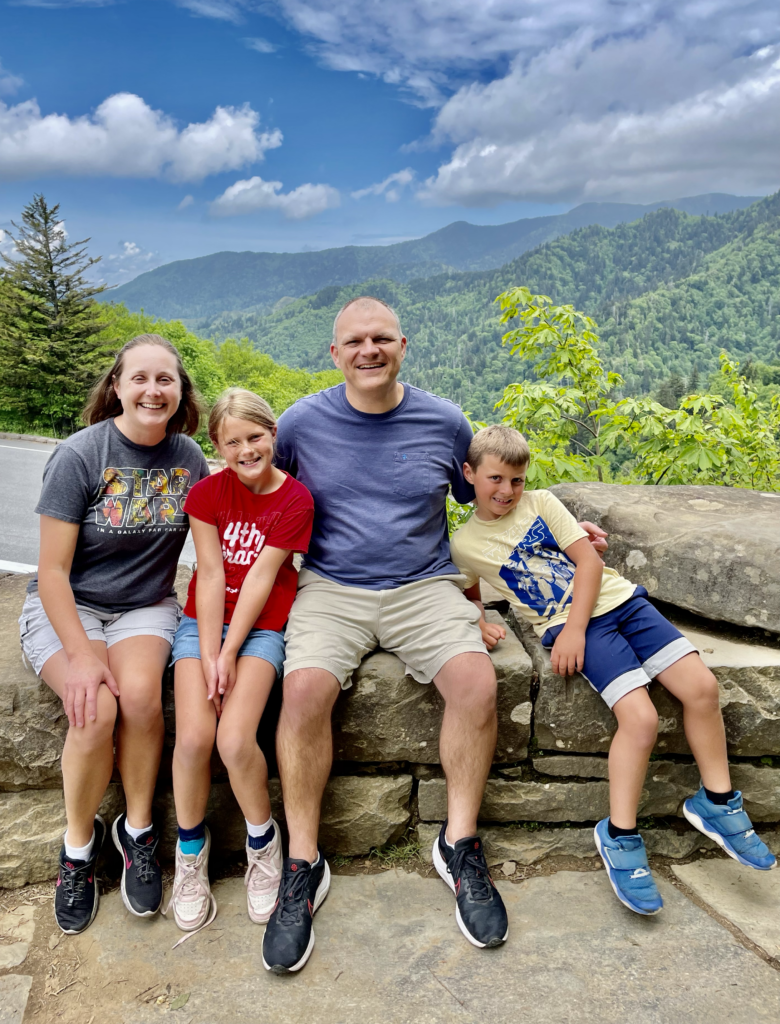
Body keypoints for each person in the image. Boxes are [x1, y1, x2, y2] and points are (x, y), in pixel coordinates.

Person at [260, 295, 608, 973]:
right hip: (331, 586)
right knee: (300, 692)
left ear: (403, 344)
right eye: (354, 341)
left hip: (424, 584)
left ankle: (459, 845)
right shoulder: (301, 423)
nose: (369, 351)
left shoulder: (444, 421)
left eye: (381, 338)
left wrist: (562, 536)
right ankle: (302, 862)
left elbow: (488, 496)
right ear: (334, 354)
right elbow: (262, 491)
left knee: (477, 683)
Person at [451, 423, 776, 916]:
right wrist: (475, 618)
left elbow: (589, 563)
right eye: (496, 479)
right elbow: (467, 588)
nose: (507, 491)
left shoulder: (541, 502)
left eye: (516, 480)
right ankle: (621, 837)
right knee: (640, 720)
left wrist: (576, 628)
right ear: (470, 473)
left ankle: (718, 800)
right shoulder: (465, 544)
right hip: (572, 626)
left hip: (620, 605)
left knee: (702, 688)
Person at [19, 334, 211, 934]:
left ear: (180, 393)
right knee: (94, 709)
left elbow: (214, 548)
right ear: (116, 387)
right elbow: (50, 570)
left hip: (144, 607)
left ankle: (137, 831)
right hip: (68, 605)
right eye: (140, 378)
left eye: (165, 380)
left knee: (143, 699)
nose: (152, 390)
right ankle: (78, 847)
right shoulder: (80, 455)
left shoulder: (188, 459)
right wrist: (79, 656)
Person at [166, 389, 314, 940]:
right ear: (218, 446)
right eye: (234, 442)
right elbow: (209, 571)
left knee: (233, 740)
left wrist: (229, 654)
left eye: (256, 437)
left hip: (261, 628)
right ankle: (189, 854)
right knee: (193, 740)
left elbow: (258, 579)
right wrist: (207, 652)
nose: (247, 449)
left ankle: (262, 841)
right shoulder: (206, 494)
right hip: (201, 625)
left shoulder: (295, 499)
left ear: (273, 435)